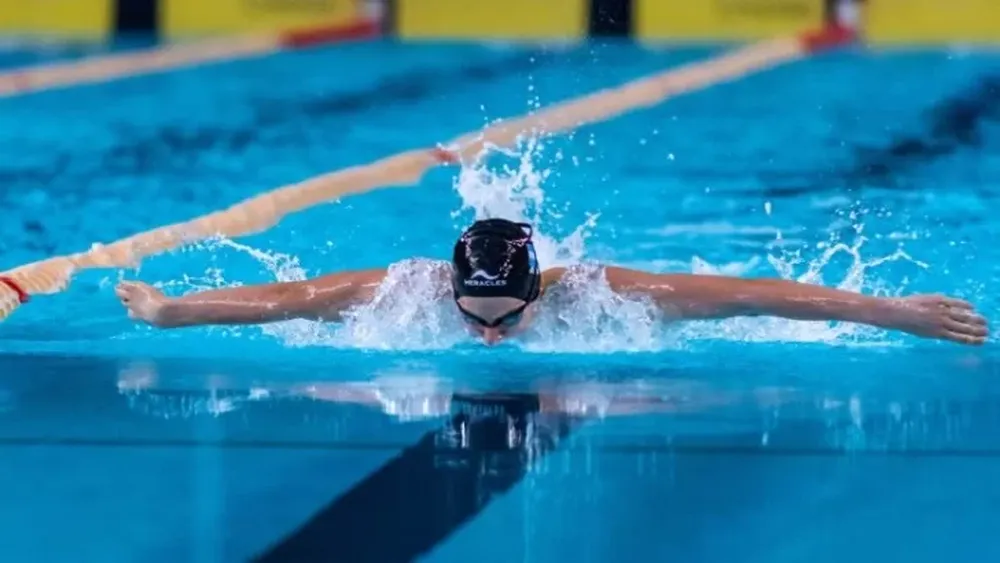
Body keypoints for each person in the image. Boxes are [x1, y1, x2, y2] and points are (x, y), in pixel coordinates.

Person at [116, 218, 989, 346]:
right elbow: (283, 298)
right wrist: (170, 311)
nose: (489, 337)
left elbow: (764, 294)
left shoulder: (594, 291)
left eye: (504, 317)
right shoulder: (409, 289)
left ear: (541, 293)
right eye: (475, 316)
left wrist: (894, 312)